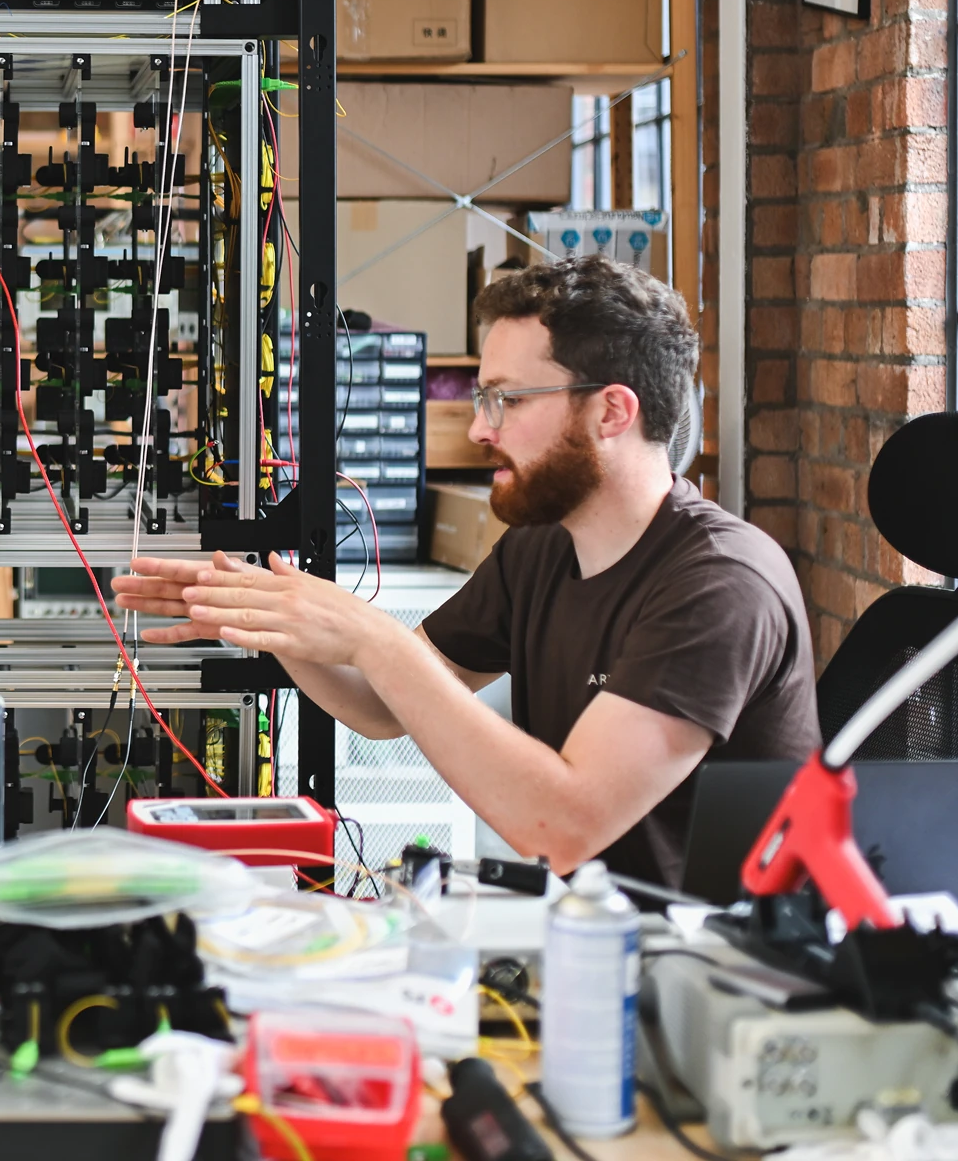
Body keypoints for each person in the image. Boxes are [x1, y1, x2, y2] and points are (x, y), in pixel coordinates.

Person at [115, 256, 817, 889]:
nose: (481, 429)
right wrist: (271, 618)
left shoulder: (721, 585)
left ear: (611, 411)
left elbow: (563, 825)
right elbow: (381, 705)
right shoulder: (541, 549)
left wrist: (374, 638)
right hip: (598, 940)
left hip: (724, 967)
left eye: (507, 400)